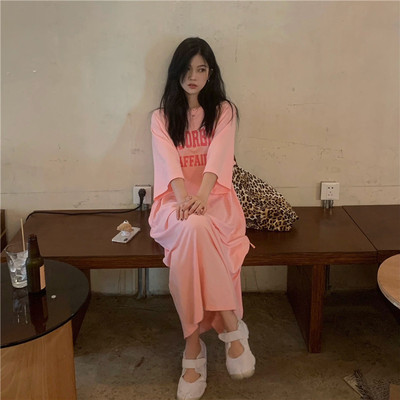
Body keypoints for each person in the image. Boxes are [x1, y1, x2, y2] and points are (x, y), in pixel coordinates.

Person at [148, 37, 256, 400]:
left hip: (216, 201)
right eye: (187, 68)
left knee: (196, 233)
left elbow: (219, 160)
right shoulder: (161, 118)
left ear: (211, 73)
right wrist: (185, 200)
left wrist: (201, 198)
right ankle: (231, 326)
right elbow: (169, 165)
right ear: (176, 72)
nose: (193, 76)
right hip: (173, 204)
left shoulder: (224, 111)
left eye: (201, 69)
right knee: (193, 226)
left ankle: (193, 349)